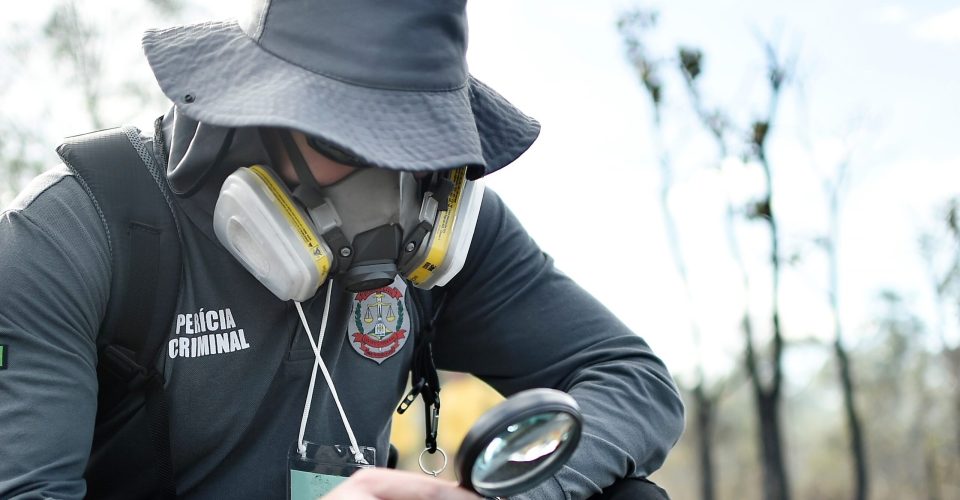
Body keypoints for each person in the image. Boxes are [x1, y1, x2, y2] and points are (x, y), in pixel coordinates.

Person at [0, 1, 685, 499]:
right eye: (344, 142)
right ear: (259, 106)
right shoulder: (73, 233)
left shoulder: (447, 225)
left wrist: (495, 498)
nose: (386, 189)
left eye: (418, 146)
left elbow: (634, 380)